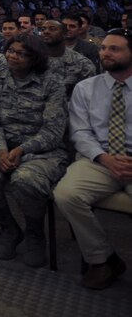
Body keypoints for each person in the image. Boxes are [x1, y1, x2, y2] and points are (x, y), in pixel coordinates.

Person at [0, 33, 68, 267]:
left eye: (21, 53)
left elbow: (53, 130)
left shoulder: (52, 83)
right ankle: (8, 227)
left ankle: (34, 231)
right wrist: (1, 151)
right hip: (0, 145)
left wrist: (22, 150)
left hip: (41, 150)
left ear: (35, 58)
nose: (13, 56)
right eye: (10, 51)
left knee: (25, 180)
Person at [54, 28, 132, 290]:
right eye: (103, 48)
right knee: (66, 194)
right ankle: (102, 259)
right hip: (99, 159)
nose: (105, 53)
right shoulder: (86, 88)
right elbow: (80, 132)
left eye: (114, 49)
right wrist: (105, 159)